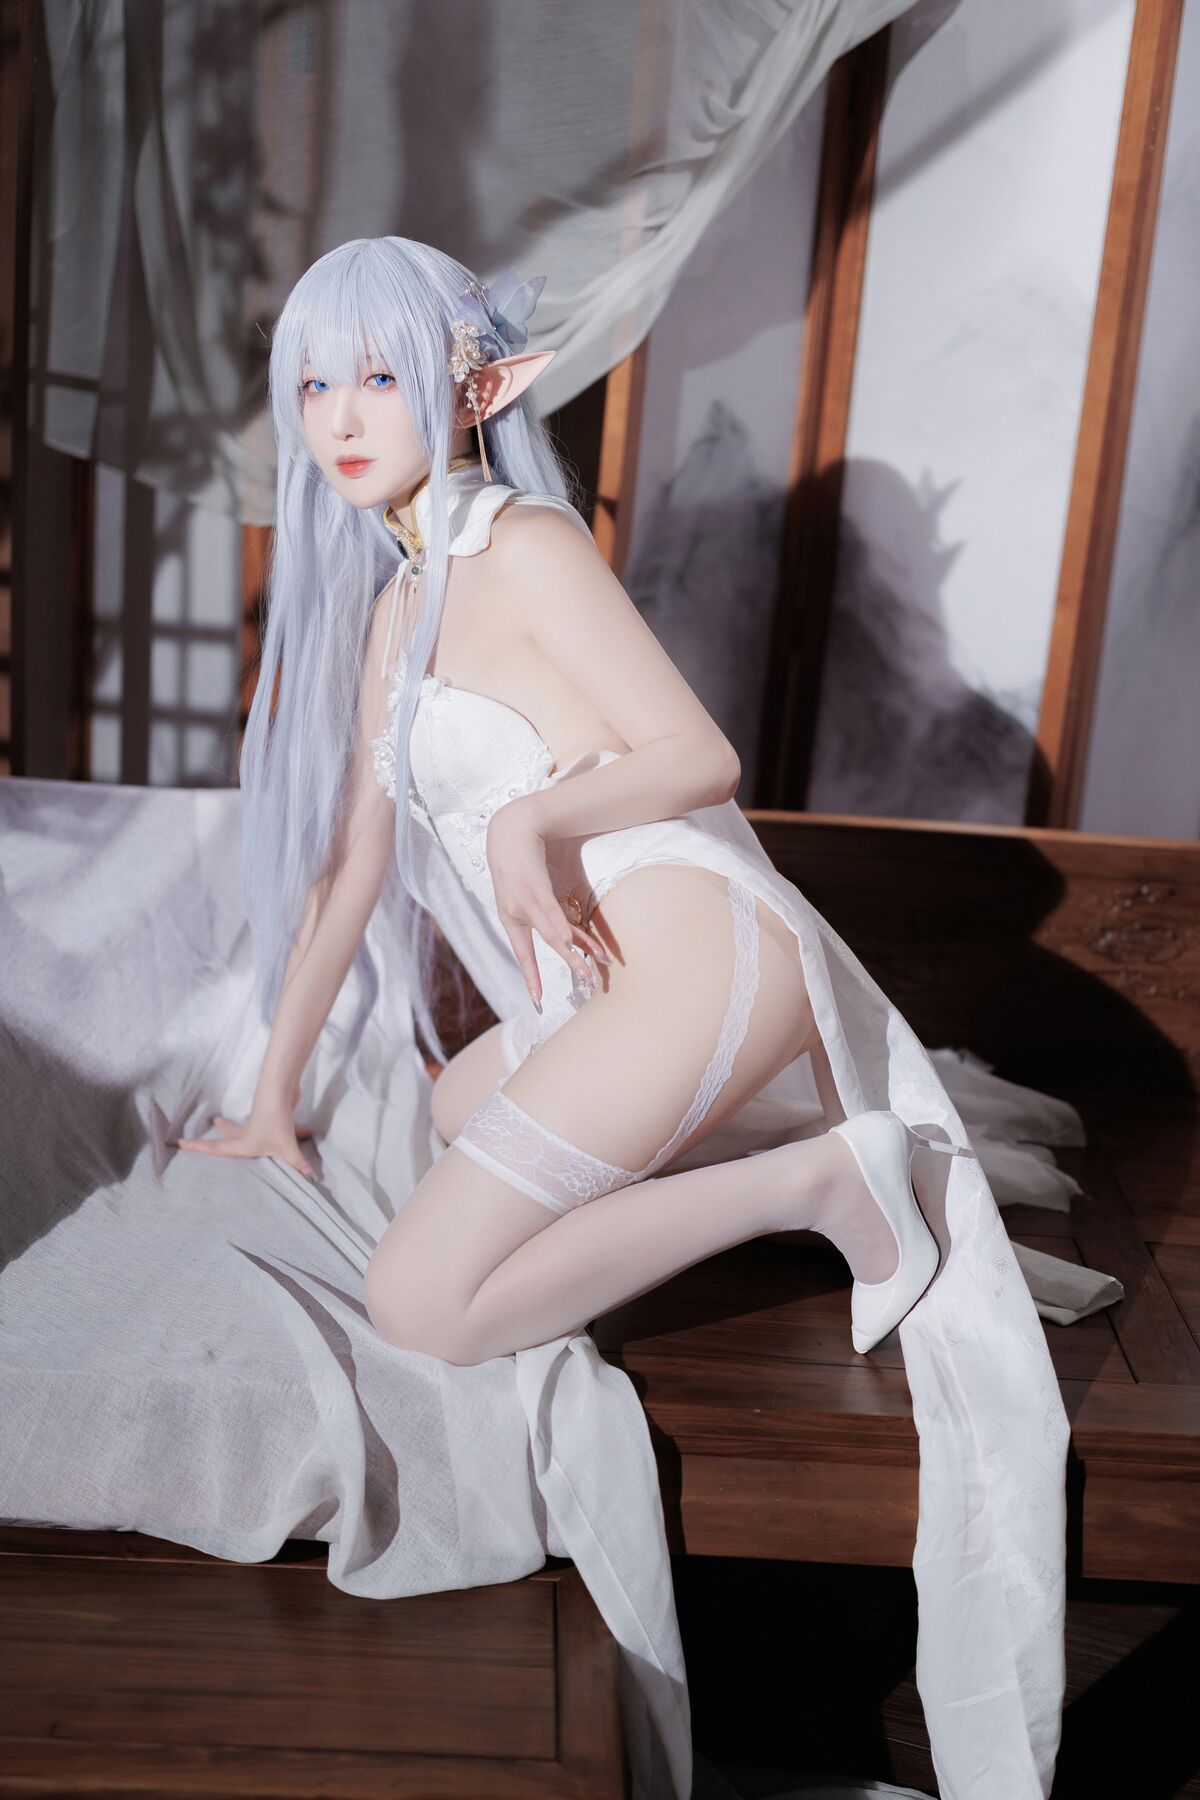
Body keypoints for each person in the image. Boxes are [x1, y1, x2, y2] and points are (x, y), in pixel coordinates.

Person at [176, 237, 1069, 1799]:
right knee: (449, 1108)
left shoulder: (524, 546)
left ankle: (823, 1183)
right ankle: (755, 1152)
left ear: (476, 390)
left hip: (706, 957)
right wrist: (271, 1097)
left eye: (379, 375)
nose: (341, 415)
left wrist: (536, 823)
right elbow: (353, 869)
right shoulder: (400, 604)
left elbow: (702, 756)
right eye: (313, 383)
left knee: (424, 1303)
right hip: (627, 979)